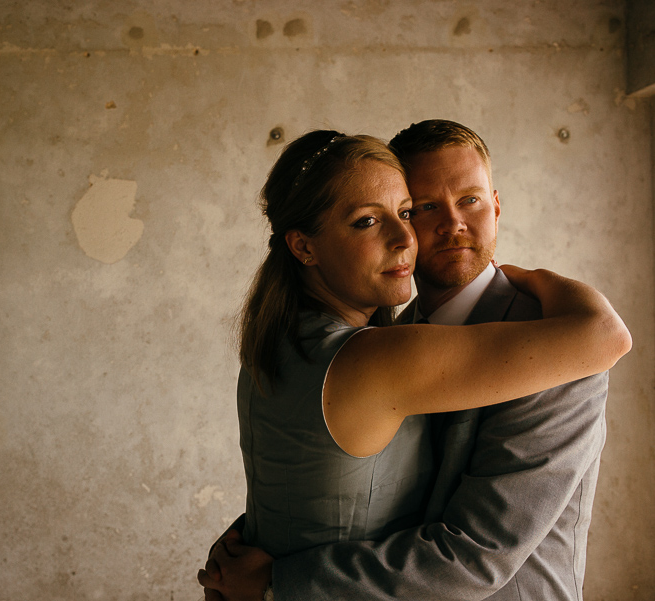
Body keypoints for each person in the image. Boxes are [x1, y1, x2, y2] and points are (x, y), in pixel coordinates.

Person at [197, 123, 632, 601]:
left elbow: (476, 554)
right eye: (423, 208)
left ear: (497, 204)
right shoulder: (384, 344)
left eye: (471, 200)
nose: (450, 224)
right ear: (303, 246)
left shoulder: (555, 348)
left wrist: (270, 571)